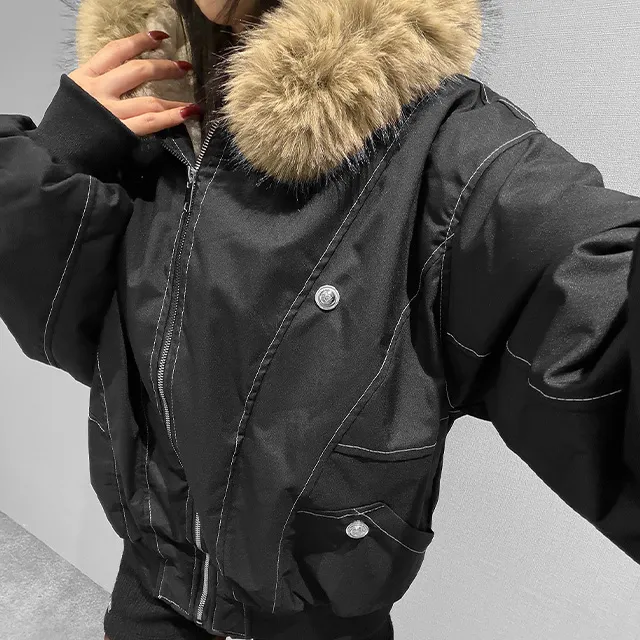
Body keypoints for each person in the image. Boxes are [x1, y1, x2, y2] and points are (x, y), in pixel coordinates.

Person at [1, 0, 639, 638]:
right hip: (148, 590)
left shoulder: (450, 155)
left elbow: (591, 306)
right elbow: (73, 329)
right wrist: (52, 160)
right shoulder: (146, 114)